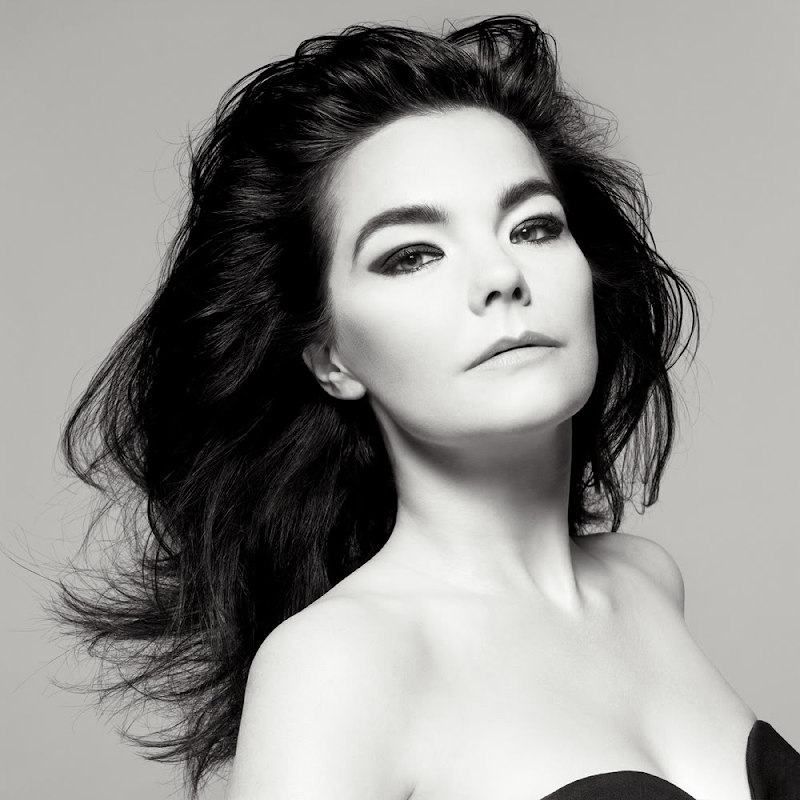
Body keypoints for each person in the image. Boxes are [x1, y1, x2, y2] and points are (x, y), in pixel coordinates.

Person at [55, 14, 800, 800]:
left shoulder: (645, 581)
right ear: (331, 358)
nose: (501, 275)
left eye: (534, 227)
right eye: (412, 254)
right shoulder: (338, 666)